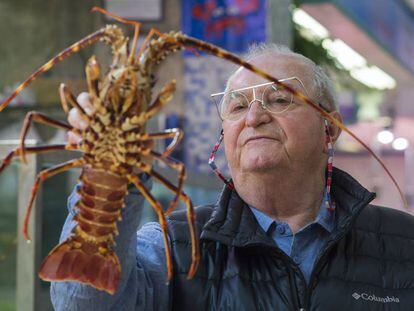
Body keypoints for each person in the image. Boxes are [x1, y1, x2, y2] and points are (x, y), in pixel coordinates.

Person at [51, 44, 414, 310]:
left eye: (279, 98)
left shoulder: (404, 242)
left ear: (330, 127)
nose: (254, 117)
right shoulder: (170, 246)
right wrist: (107, 172)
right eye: (238, 106)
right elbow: (82, 303)